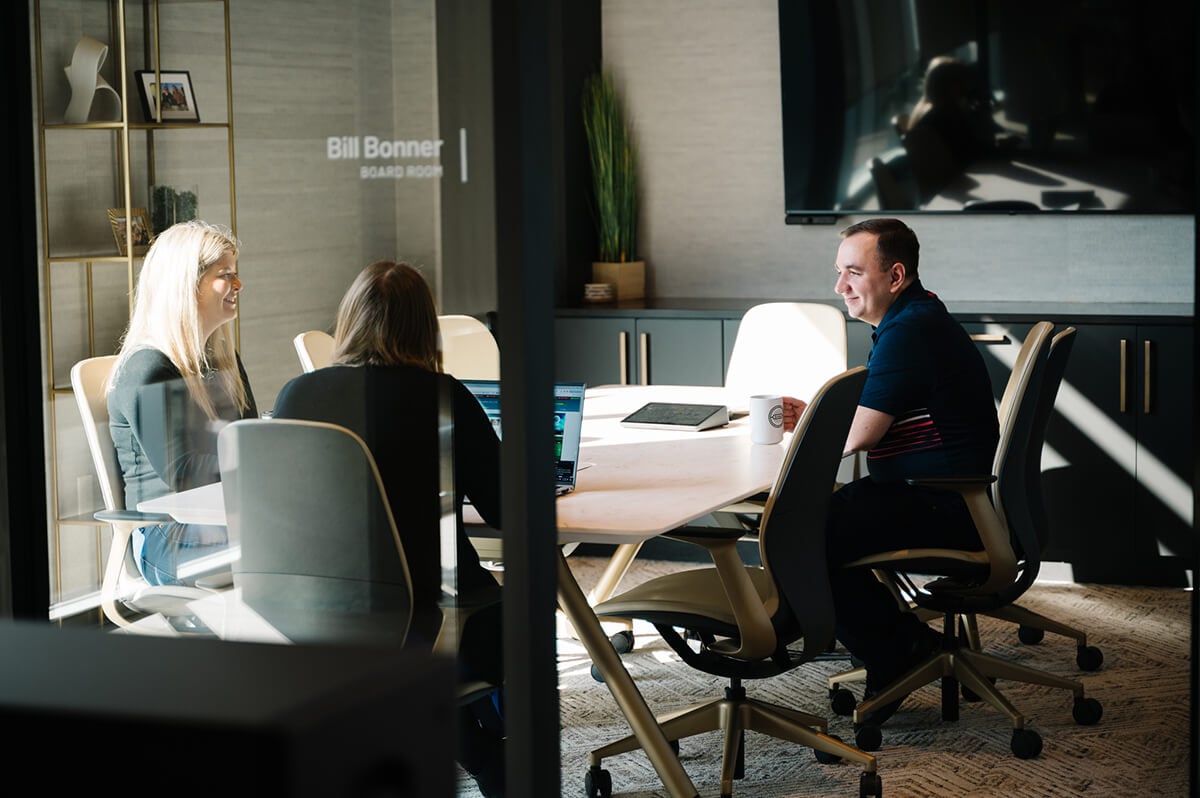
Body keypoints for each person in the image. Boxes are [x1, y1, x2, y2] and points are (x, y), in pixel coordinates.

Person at [271, 260, 506, 797]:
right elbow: (503, 511)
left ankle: (471, 743)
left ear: (350, 320)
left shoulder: (295, 396)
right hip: (425, 618)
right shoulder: (444, 398)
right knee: (523, 617)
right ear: (425, 327)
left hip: (305, 619)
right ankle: (486, 746)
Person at [781, 218, 999, 727]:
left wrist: (807, 428)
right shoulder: (916, 317)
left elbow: (858, 437)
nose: (840, 287)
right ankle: (891, 638)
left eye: (853, 272)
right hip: (942, 494)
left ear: (895, 276)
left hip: (943, 503)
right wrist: (815, 409)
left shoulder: (908, 331)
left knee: (799, 532)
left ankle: (899, 650)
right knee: (816, 520)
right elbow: (882, 407)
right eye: (839, 273)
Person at [107, 220, 257, 588]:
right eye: (226, 275)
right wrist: (267, 459)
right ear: (187, 285)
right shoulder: (146, 367)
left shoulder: (222, 359)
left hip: (224, 519)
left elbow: (248, 435)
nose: (239, 285)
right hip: (165, 539)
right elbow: (187, 472)